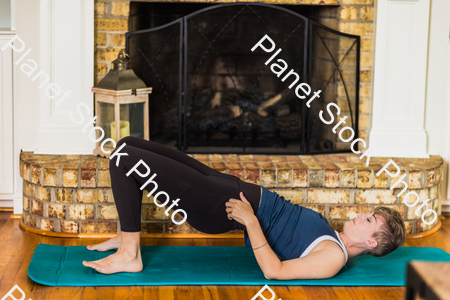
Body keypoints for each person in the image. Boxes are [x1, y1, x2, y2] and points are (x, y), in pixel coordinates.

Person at [83, 136, 406, 280]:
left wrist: (251, 221)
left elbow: (274, 272)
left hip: (222, 206)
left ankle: (130, 253)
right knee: (127, 145)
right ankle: (126, 237)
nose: (358, 214)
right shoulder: (333, 238)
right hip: (230, 189)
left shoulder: (333, 258)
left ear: (372, 242)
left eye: (368, 219)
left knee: (124, 160)